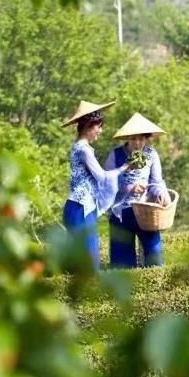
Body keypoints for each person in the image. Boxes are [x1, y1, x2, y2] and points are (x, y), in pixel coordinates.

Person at [61, 100, 128, 271]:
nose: (100, 130)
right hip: (79, 208)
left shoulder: (79, 147)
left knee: (85, 259)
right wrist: (124, 168)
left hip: (82, 206)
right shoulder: (84, 150)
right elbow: (102, 177)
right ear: (89, 126)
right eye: (99, 126)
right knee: (89, 260)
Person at [104, 112, 171, 268]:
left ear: (147, 139)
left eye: (141, 138)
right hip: (120, 212)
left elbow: (156, 182)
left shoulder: (151, 155)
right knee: (122, 264)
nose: (137, 143)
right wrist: (129, 188)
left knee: (154, 257)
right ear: (127, 138)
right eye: (134, 138)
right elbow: (107, 183)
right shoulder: (115, 155)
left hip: (145, 211)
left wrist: (162, 193)